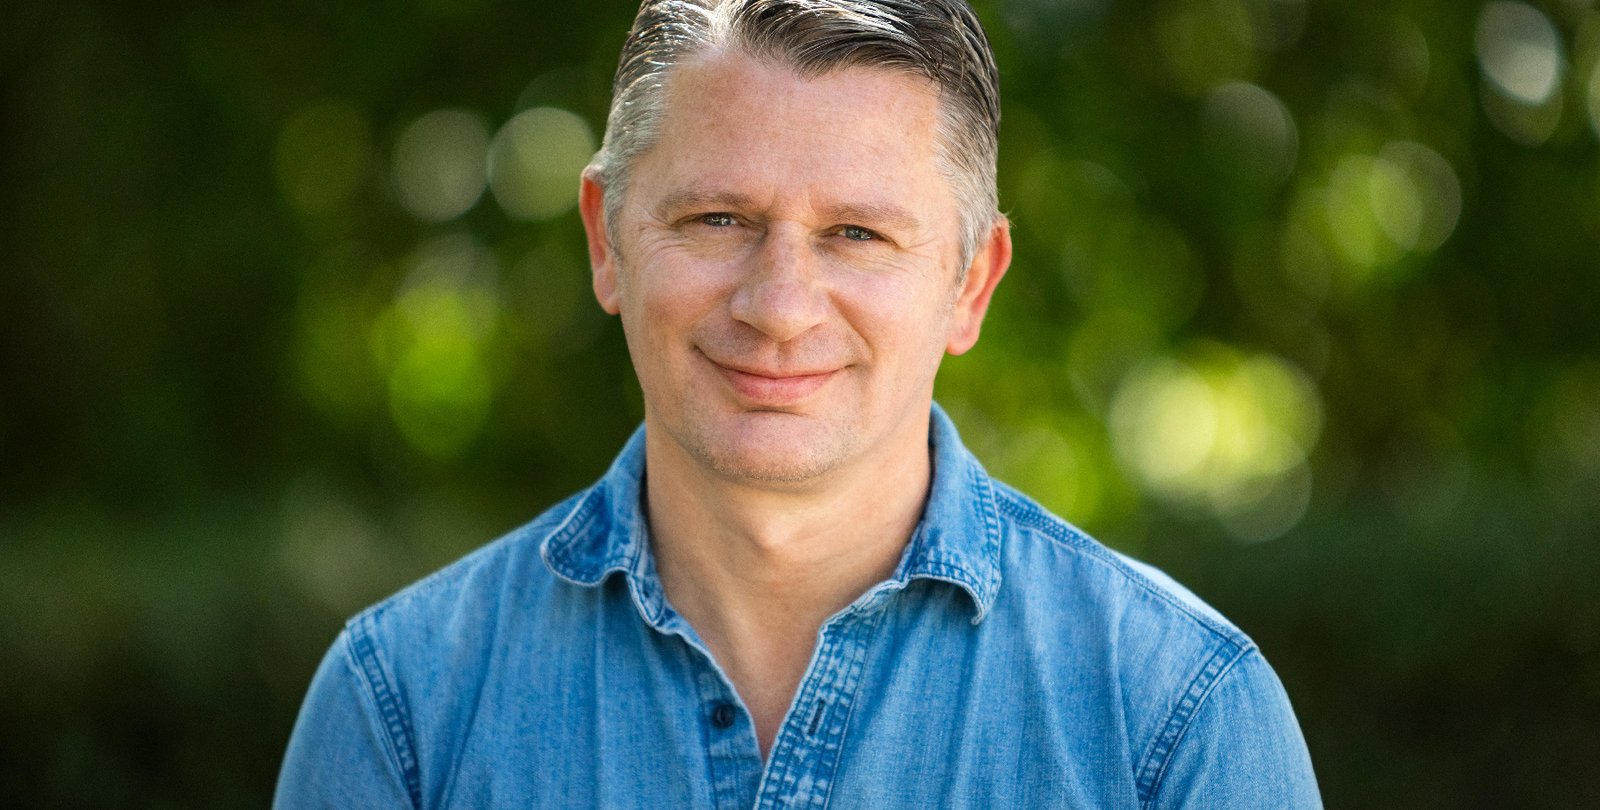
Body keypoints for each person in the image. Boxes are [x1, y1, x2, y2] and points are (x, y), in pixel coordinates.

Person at [274, 0, 1321, 807]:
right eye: (720, 218)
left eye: (856, 235)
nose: (778, 308)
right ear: (605, 240)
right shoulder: (403, 709)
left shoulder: (1176, 717)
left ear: (970, 282)